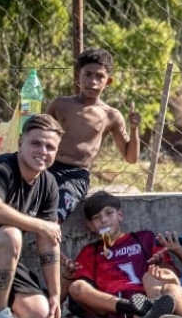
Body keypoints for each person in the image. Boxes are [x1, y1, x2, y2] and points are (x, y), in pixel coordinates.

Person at [0, 114, 64, 318]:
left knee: (41, 317)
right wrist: (40, 225)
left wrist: (55, 295)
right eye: (36, 143)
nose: (43, 150)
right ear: (20, 143)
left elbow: (49, 240)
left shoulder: (48, 184)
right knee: (10, 235)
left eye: (50, 146)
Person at [45, 48, 141, 223]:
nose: (93, 82)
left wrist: (134, 129)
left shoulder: (111, 115)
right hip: (47, 168)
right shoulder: (60, 105)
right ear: (78, 75)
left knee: (52, 219)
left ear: (108, 81)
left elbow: (131, 158)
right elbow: (40, 133)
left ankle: (52, 250)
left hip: (75, 176)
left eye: (99, 77)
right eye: (88, 75)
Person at [66, 191, 179, 318]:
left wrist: (162, 264)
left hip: (145, 296)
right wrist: (65, 274)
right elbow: (79, 295)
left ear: (120, 214)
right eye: (97, 217)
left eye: (109, 213)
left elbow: (175, 276)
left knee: (154, 275)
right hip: (112, 308)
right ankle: (138, 313)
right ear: (90, 225)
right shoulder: (89, 253)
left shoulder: (144, 238)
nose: (104, 220)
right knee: (76, 286)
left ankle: (151, 312)